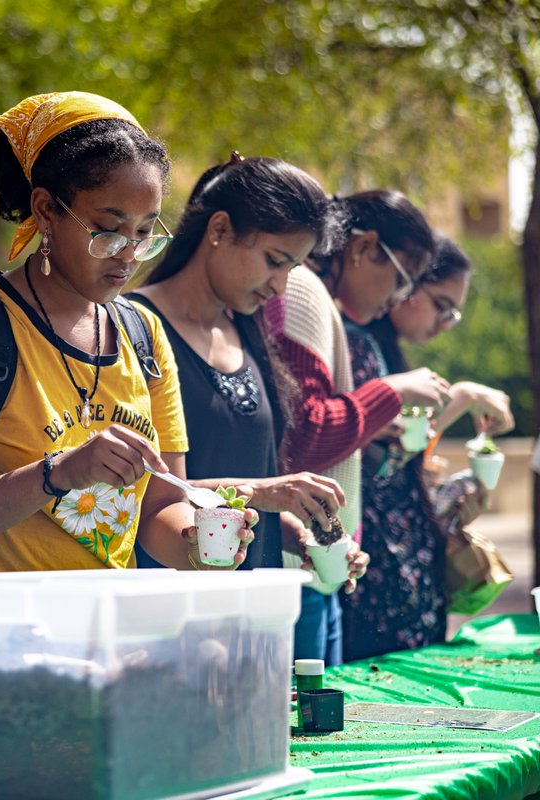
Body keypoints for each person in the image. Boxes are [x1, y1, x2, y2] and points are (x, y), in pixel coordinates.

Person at [0, 92, 258, 763]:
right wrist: (55, 474)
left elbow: (160, 506)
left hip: (93, 663)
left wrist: (199, 542)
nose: (128, 254)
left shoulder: (144, 337)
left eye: (147, 232)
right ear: (46, 210)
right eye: (108, 229)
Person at [130, 154, 366, 586]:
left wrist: (304, 538)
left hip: (255, 607)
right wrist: (264, 491)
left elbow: (254, 499)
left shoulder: (248, 331)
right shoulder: (133, 329)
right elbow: (142, 493)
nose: (280, 286)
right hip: (172, 606)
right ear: (219, 229)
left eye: (292, 268)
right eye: (274, 260)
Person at [265, 189, 451, 665]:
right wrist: (390, 392)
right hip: (295, 566)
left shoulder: (318, 298)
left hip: (319, 564)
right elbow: (305, 436)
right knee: (308, 710)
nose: (397, 299)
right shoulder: (301, 290)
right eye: (401, 280)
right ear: (365, 247)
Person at [341, 234, 513, 660]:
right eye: (441, 305)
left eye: (453, 312)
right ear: (407, 282)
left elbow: (399, 456)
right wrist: (464, 396)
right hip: (377, 577)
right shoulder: (357, 345)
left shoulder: (383, 349)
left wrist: (449, 494)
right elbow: (386, 461)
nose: (446, 323)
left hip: (399, 576)